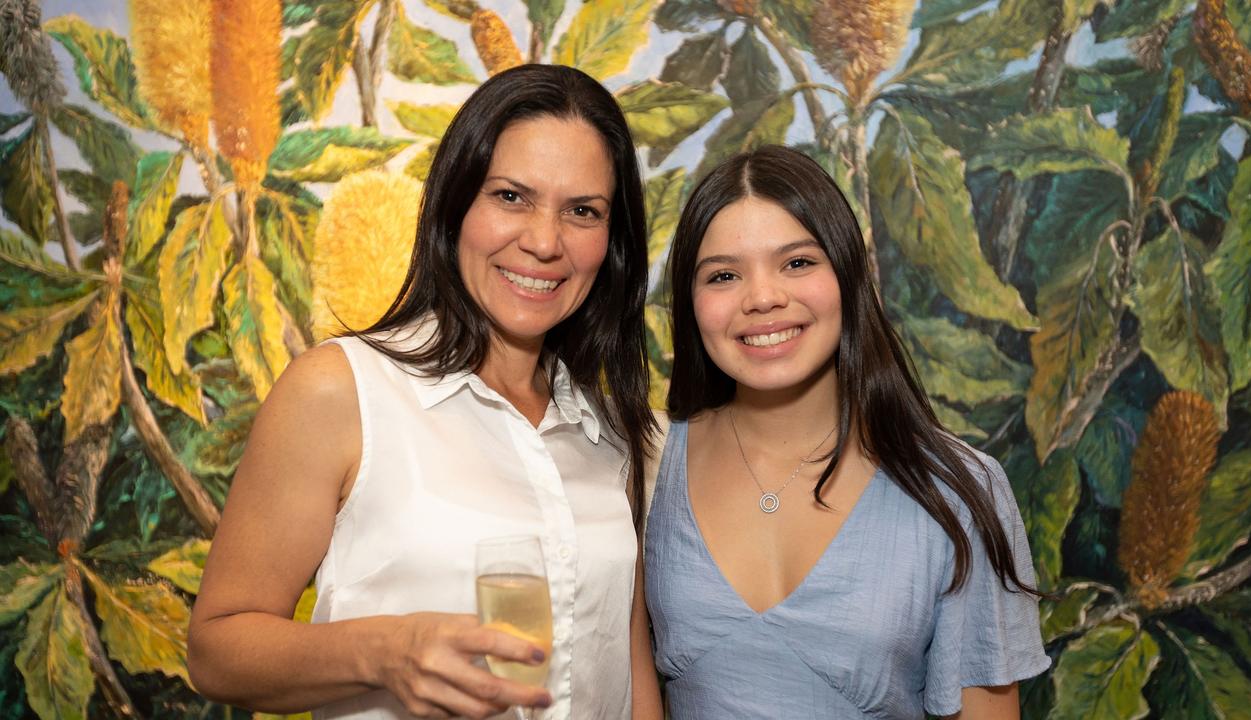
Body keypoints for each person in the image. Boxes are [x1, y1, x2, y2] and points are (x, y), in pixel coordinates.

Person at [189, 64, 662, 720]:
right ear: (456, 204)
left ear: (611, 244)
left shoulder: (615, 435)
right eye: (511, 197)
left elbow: (631, 675)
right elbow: (216, 650)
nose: (545, 242)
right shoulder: (340, 391)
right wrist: (384, 652)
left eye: (583, 211)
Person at [643, 145, 1050, 718]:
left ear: (847, 275)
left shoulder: (959, 489)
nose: (763, 298)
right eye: (724, 275)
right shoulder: (645, 462)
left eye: (798, 263)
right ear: (690, 303)